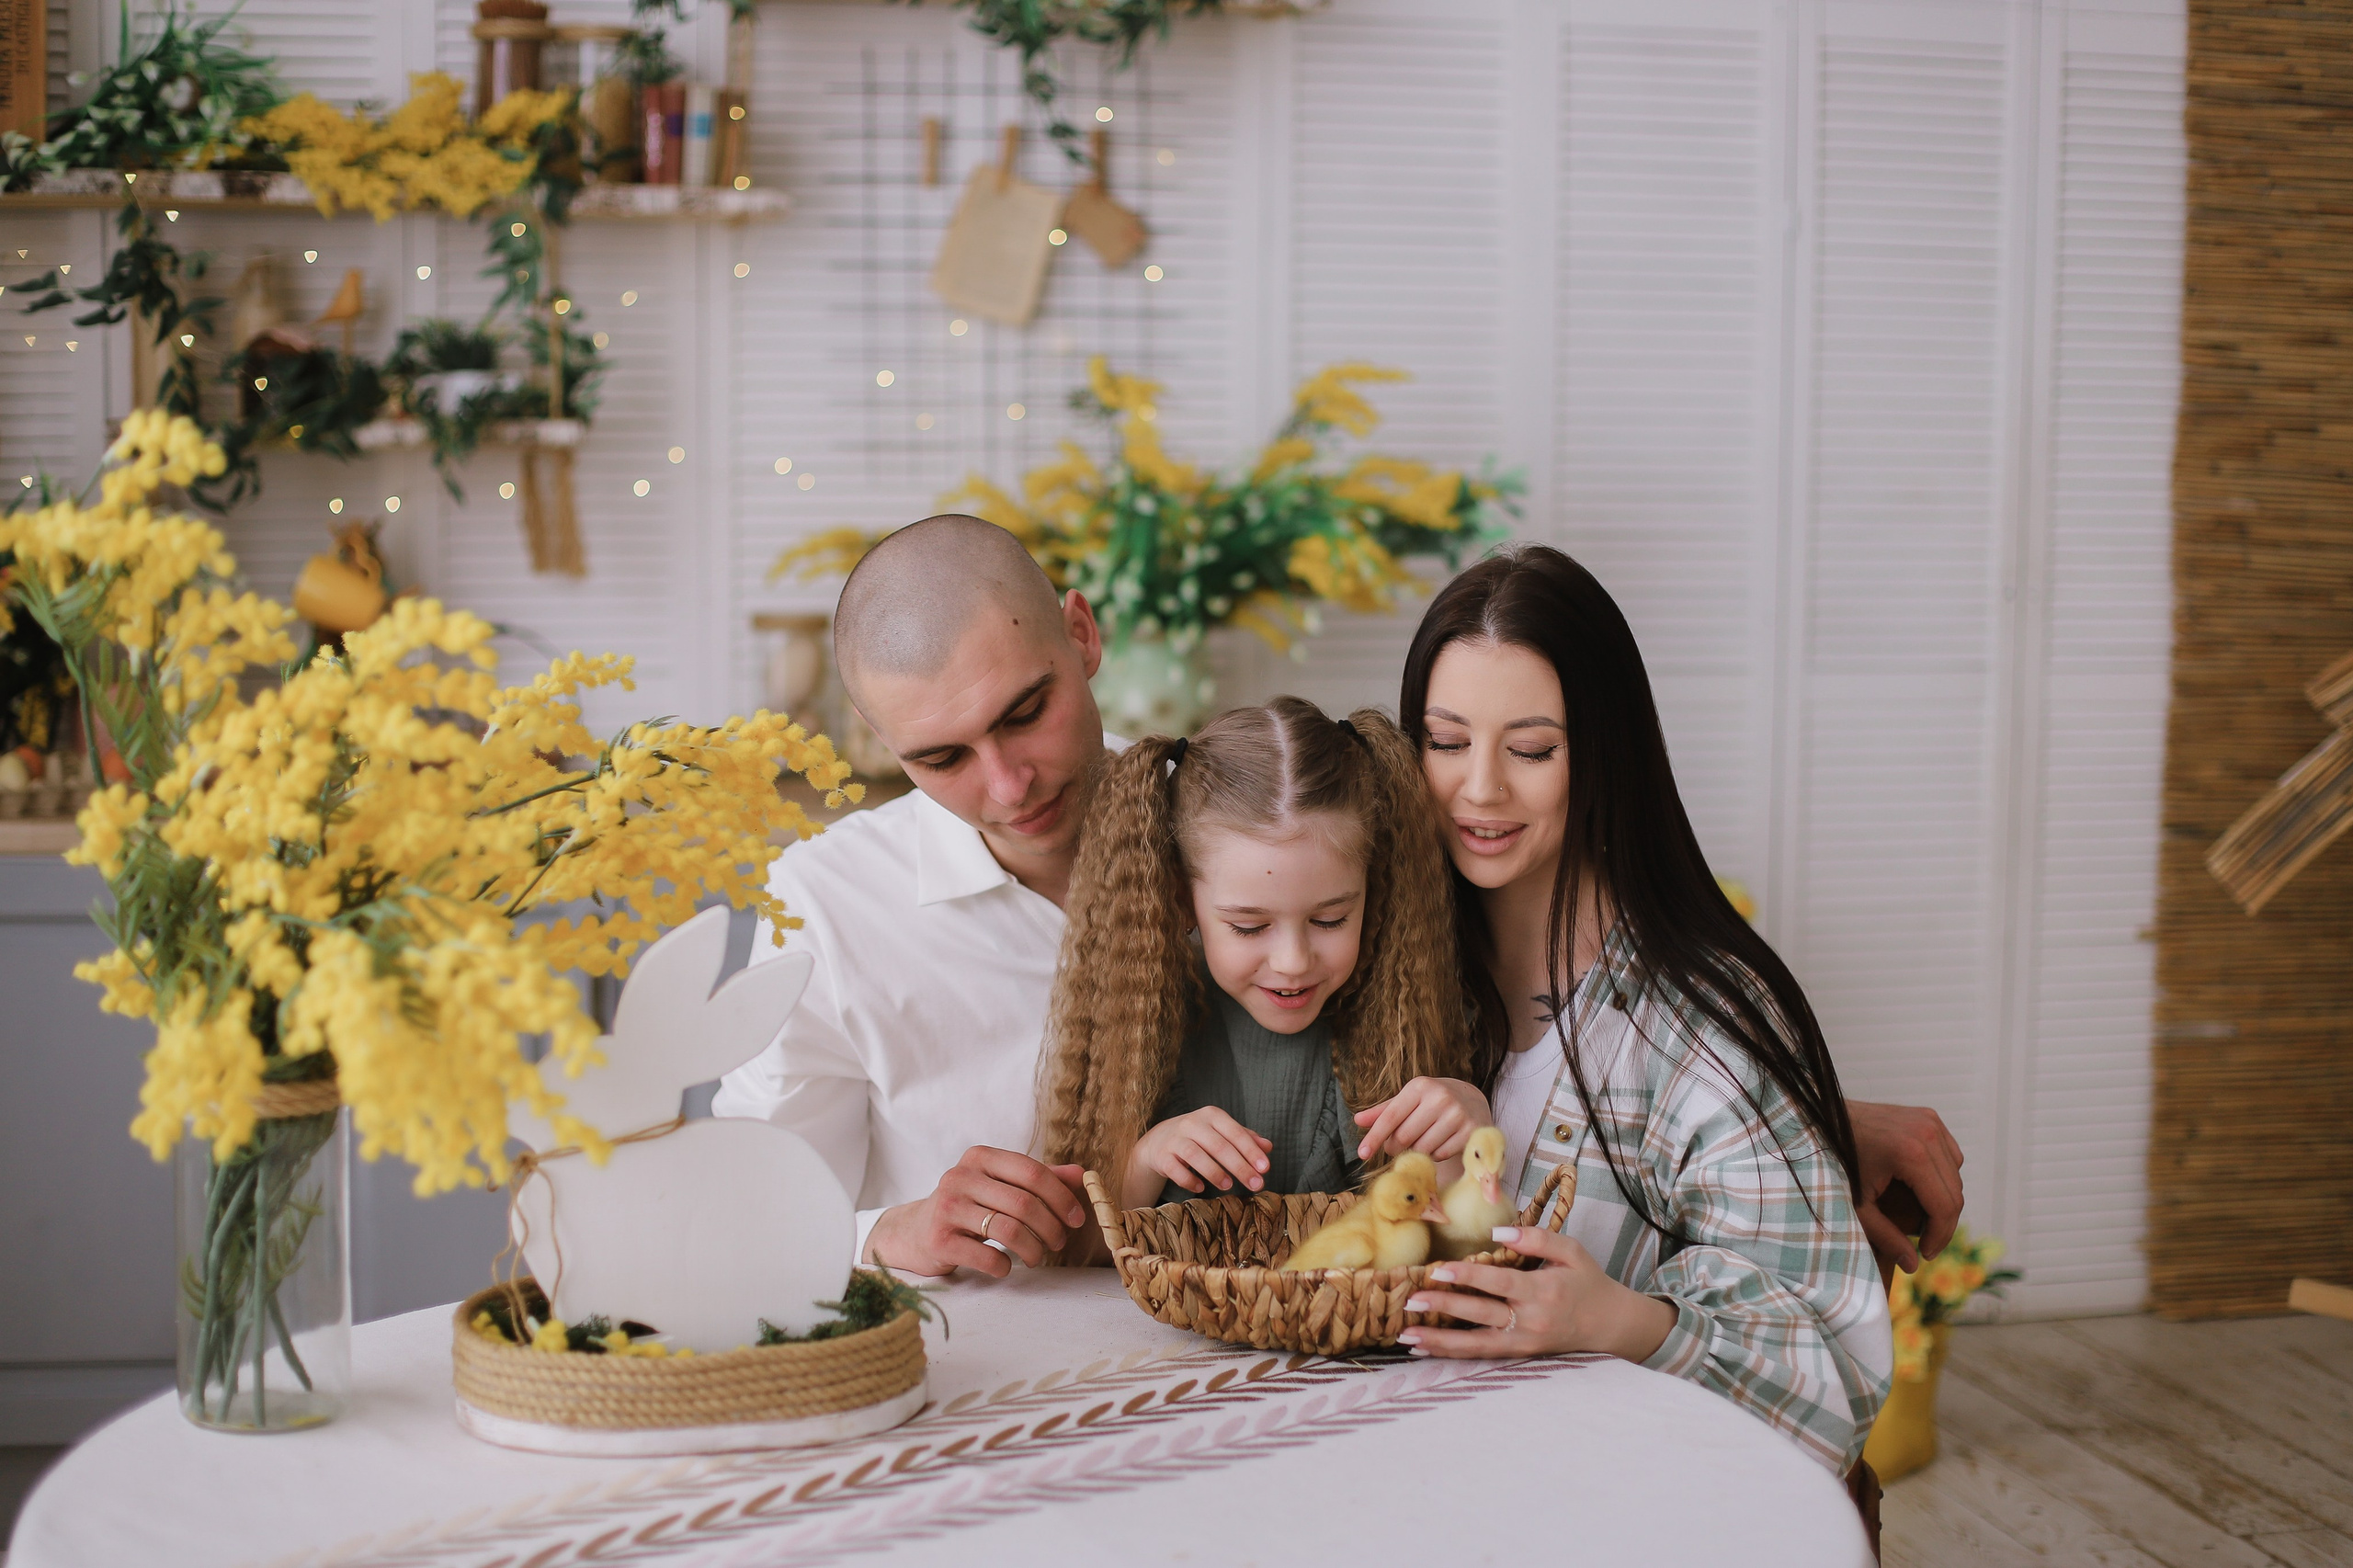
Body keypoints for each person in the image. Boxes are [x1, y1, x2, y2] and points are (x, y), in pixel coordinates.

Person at [715, 514, 1964, 1285]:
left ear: (1084, 637)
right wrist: (890, 1228)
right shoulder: (821, 907)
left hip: (1285, 1355)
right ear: (879, 746)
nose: (1006, 781)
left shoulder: (1249, 824)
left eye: (1026, 710)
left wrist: (1800, 1118)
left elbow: (1493, 1020)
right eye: (940, 758)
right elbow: (739, 1210)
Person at [1387, 545, 1889, 1475]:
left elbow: (1837, 1387)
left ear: (1606, 752)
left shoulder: (1699, 1027)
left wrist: (1616, 1319)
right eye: (1446, 741)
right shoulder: (1384, 963)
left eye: (1532, 748)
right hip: (1405, 1463)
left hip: (1611, 1492)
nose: (1480, 787)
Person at [1041, 698, 1482, 1217]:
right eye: (1249, 926)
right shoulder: (1138, 1013)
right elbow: (1081, 1255)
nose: (1293, 961)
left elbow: (1450, 1240)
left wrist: (1467, 1138)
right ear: (1182, 898)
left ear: (1373, 888)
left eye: (1330, 920)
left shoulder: (1405, 1006)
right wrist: (1144, 1163)